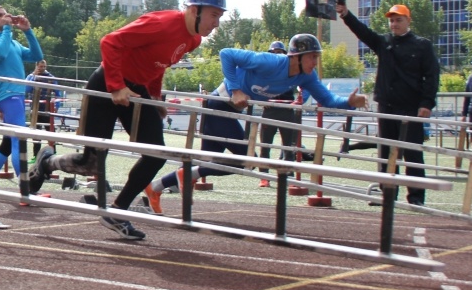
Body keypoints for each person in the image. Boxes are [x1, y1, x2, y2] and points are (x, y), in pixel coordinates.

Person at [29, 0, 227, 240]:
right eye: (214, 16)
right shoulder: (163, 23)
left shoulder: (193, 40)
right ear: (193, 10)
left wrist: (155, 97)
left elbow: (159, 65)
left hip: (136, 90)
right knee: (92, 162)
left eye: (219, 17)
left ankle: (117, 211)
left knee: (156, 154)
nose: (217, 24)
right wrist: (116, 86)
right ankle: (46, 163)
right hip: (106, 83)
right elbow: (110, 42)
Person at [143, 34, 369, 215]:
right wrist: (236, 89)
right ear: (296, 57)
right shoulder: (270, 62)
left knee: (209, 162)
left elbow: (328, 101)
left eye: (316, 57)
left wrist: (349, 103)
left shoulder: (306, 77)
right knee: (243, 159)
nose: (316, 63)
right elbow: (226, 54)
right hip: (218, 104)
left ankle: (155, 188)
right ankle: (180, 177)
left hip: (231, 111)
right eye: (312, 57)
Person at [337, 0, 440, 206]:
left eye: (398, 20)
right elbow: (362, 32)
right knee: (386, 153)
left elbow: (432, 76)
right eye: (391, 21)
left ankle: (416, 198)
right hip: (387, 106)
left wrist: (426, 104)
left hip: (411, 107)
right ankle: (388, 195)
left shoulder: (422, 46)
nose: (394, 24)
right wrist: (345, 14)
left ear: (408, 21)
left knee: (413, 153)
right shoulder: (384, 43)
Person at [0, 5, 43, 189]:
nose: (5, 17)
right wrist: (7, 28)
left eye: (6, 14)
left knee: (8, 143)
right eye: (0, 15)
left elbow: (37, 56)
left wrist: (28, 31)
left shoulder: (12, 41)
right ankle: (25, 187)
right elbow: (0, 53)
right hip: (8, 94)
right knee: (18, 139)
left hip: (17, 94)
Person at [258, 41, 297, 188]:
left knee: (288, 147)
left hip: (287, 111)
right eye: (274, 53)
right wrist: (261, 100)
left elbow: (301, 87)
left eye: (280, 53)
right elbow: (255, 89)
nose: (277, 56)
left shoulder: (292, 70)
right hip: (270, 111)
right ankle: (264, 176)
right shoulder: (264, 71)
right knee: (265, 146)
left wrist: (298, 101)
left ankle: (288, 177)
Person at [25, 59, 61, 156]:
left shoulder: (51, 78)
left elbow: (58, 92)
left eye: (44, 67)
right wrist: (34, 78)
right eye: (40, 66)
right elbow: (26, 89)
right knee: (35, 133)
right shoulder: (30, 76)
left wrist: (57, 105)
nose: (42, 68)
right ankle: (36, 155)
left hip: (47, 108)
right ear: (36, 66)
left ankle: (53, 153)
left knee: (50, 131)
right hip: (35, 108)